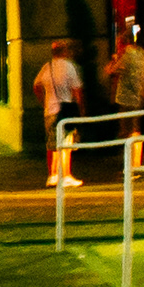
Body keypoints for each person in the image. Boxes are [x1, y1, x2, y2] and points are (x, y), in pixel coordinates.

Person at [99, 26, 144, 186]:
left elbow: (108, 71)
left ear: (123, 43)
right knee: (136, 132)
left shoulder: (126, 56)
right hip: (139, 97)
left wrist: (115, 59)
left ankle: (129, 167)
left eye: (119, 43)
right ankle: (136, 165)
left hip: (126, 99)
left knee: (126, 132)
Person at [33, 38, 84, 184]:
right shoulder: (69, 67)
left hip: (49, 110)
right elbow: (77, 90)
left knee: (51, 144)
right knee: (66, 143)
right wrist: (80, 108)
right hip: (66, 110)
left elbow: (36, 85)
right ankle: (66, 174)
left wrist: (43, 101)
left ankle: (52, 174)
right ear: (65, 51)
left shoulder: (47, 66)